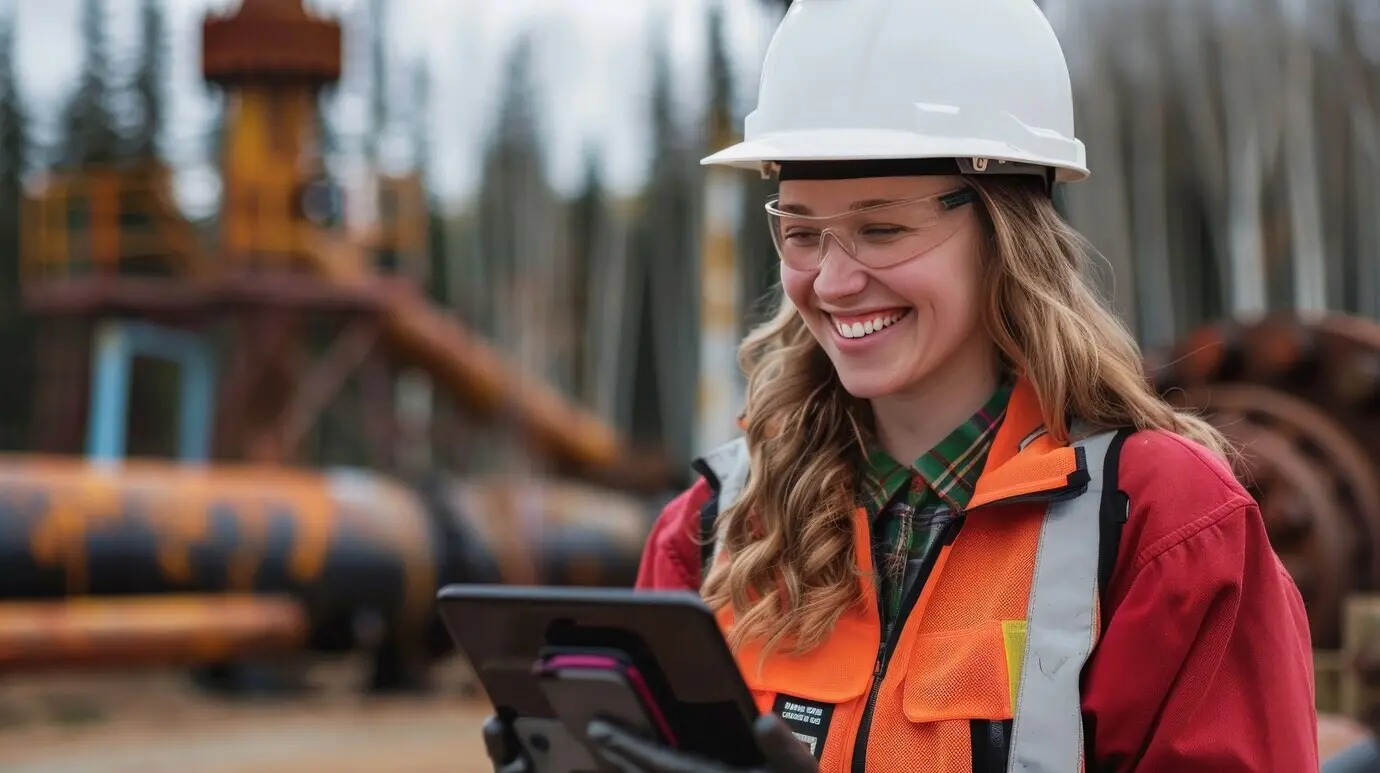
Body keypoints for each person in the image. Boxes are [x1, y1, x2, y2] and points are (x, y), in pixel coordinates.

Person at [483, 0, 1319, 771]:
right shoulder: (715, 529)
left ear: (1005, 231)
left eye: (881, 228)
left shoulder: (1164, 528)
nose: (834, 282)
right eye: (802, 232)